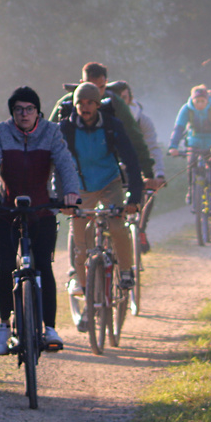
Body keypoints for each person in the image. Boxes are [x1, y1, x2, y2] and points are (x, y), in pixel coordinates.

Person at [0, 87, 82, 356]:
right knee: (5, 267)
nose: (24, 114)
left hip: (41, 210)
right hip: (6, 210)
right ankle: (4, 325)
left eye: (29, 109)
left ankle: (50, 328)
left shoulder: (51, 132)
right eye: (19, 109)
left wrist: (70, 193)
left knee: (43, 265)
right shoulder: (1, 132)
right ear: (13, 113)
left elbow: (65, 163)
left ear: (38, 112)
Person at [60, 82, 145, 328]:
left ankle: (127, 272)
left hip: (110, 183)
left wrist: (134, 198)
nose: (84, 108)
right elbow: (56, 163)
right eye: (80, 103)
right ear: (74, 105)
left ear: (97, 105)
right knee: (80, 244)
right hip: (81, 185)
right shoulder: (65, 128)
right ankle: (85, 293)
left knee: (117, 226)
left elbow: (131, 160)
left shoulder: (111, 125)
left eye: (89, 103)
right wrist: (61, 196)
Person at [56, 62, 164, 248]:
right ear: (81, 83)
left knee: (116, 223)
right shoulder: (66, 104)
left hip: (112, 168)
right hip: (80, 175)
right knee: (79, 224)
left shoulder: (115, 103)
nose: (95, 93)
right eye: (90, 87)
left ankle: (123, 269)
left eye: (101, 88)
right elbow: (48, 142)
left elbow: (134, 140)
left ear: (106, 84)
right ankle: (76, 268)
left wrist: (148, 173)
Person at [167, 84, 211, 219]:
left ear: (207, 100)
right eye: (197, 101)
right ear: (192, 100)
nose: (200, 104)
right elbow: (178, 128)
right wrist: (173, 146)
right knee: (191, 164)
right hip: (194, 143)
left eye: (202, 101)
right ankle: (191, 190)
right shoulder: (186, 109)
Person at [108, 79, 164, 246]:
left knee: (147, 191)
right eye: (116, 97)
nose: (120, 101)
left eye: (123, 97)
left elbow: (152, 148)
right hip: (111, 168)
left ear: (130, 99)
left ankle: (140, 229)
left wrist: (158, 173)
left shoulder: (142, 120)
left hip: (134, 167)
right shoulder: (103, 117)